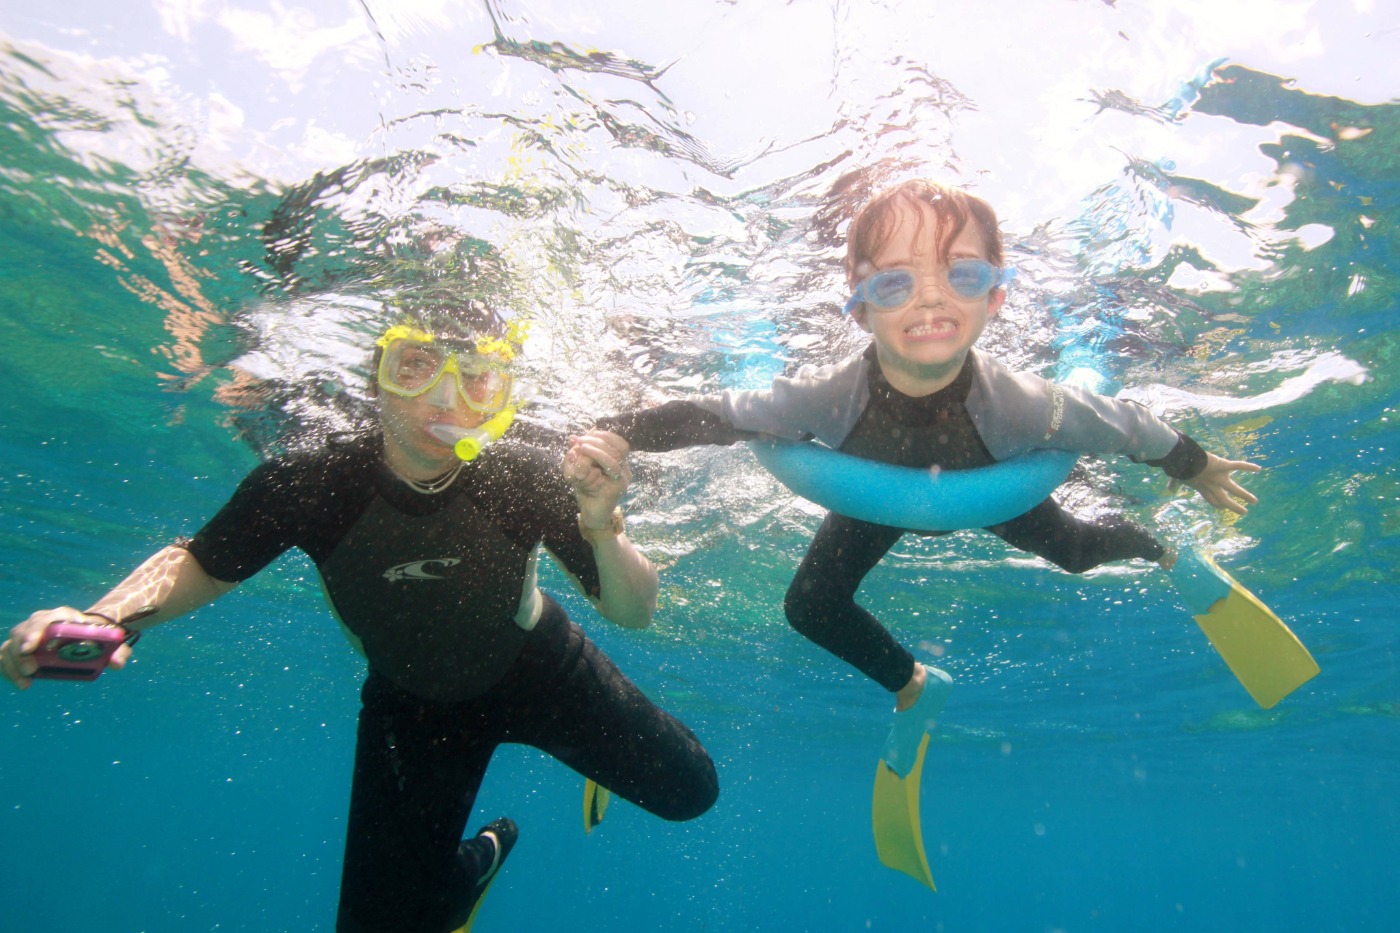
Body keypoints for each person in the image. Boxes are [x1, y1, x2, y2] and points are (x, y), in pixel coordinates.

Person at [3, 305, 718, 933]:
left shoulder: (525, 473)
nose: (443, 396)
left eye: (474, 378)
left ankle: (591, 761)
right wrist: (106, 616)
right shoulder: (312, 479)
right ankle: (467, 872)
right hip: (410, 706)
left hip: (538, 666)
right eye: (416, 367)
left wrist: (603, 526)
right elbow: (204, 562)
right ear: (378, 376)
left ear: (497, 398)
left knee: (692, 790)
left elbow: (634, 612)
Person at [589, 178, 1260, 774]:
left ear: (997, 295)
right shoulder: (826, 399)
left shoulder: (1022, 405)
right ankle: (913, 685)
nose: (931, 296)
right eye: (895, 281)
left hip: (995, 481)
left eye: (961, 275)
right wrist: (616, 432)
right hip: (875, 495)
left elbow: (1123, 424)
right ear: (859, 305)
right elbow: (714, 416)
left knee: (1079, 552)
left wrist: (1195, 467)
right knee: (808, 607)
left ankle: (1163, 549)